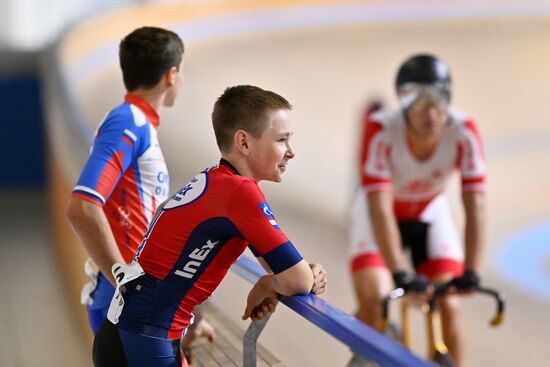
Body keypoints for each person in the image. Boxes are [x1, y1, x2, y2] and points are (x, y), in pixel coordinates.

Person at [92, 85, 328, 366]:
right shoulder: (240, 193)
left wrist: (272, 281)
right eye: (281, 140)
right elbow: (298, 280)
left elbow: (283, 270)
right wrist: (276, 281)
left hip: (130, 334)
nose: (291, 152)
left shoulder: (216, 181)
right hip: (145, 341)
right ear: (244, 142)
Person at [65, 26, 213, 344]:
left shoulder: (137, 123)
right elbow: (82, 207)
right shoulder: (128, 122)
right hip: (125, 306)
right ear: (171, 76)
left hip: (132, 304)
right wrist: (125, 282)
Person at [349, 54, 486, 366]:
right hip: (378, 216)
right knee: (375, 302)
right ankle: (375, 336)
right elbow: (380, 209)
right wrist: (399, 272)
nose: (432, 112)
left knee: (448, 304)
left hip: (429, 213)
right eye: (420, 102)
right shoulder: (381, 130)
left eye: (441, 101)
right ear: (403, 102)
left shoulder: (464, 132)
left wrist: (472, 271)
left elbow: (475, 204)